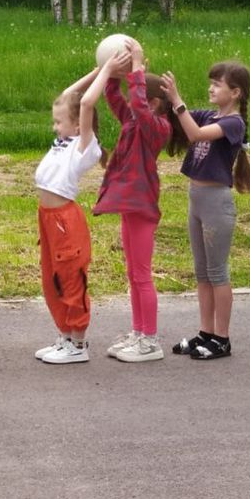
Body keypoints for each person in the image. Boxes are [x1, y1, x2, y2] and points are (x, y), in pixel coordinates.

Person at [94, 40, 183, 363]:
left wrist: (137, 69)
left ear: (154, 102)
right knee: (133, 274)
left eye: (142, 98)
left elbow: (138, 105)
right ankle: (138, 332)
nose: (135, 104)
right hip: (129, 205)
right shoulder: (133, 121)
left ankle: (150, 341)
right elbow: (114, 98)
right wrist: (112, 73)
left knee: (142, 275)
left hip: (142, 206)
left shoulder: (157, 127)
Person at [161, 62, 250, 361]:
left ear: (235, 92)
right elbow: (181, 121)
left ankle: (222, 338)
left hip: (216, 202)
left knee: (217, 272)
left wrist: (178, 100)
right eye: (210, 83)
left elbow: (196, 134)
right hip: (196, 199)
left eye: (217, 84)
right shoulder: (208, 114)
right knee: (201, 271)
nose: (211, 88)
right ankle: (206, 332)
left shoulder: (234, 123)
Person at [32, 67, 108, 365]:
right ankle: (65, 337)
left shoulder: (84, 146)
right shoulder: (65, 140)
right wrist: (96, 70)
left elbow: (86, 103)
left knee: (71, 279)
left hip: (65, 220)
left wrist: (108, 71)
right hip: (47, 217)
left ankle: (78, 343)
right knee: (52, 279)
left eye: (59, 122)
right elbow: (69, 96)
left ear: (78, 125)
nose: (55, 127)